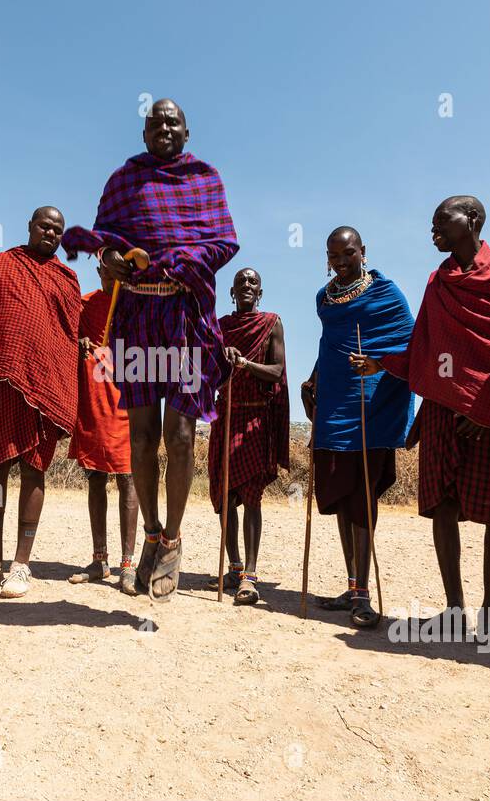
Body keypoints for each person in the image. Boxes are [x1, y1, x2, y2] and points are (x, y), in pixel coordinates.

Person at [61, 98, 239, 599]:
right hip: (138, 314)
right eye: (155, 122)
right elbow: (104, 240)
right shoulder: (124, 180)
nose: (164, 128)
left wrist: (187, 257)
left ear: (187, 130)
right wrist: (113, 257)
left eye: (173, 121)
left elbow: (225, 242)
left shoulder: (206, 179)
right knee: (140, 435)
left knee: (180, 434)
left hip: (185, 316)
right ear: (143, 134)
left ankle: (174, 540)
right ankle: (152, 532)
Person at [362, 197, 490, 647]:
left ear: (472, 221)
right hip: (441, 409)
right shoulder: (438, 281)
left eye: (441, 221)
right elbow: (424, 343)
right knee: (444, 507)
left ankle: (489, 616)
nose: (432, 229)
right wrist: (381, 363)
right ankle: (455, 609)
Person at [0, 207, 81, 599]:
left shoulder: (66, 278)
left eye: (58, 230)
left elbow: (72, 337)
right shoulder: (1, 264)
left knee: (33, 471)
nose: (51, 232)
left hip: (44, 389)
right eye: (45, 225)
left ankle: (21, 565)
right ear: (29, 226)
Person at [302, 227, 415, 628]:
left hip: (372, 407)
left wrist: (379, 364)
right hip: (334, 406)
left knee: (362, 497)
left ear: (363, 251)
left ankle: (364, 594)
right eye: (334, 255)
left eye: (348, 253)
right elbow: (327, 345)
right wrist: (314, 377)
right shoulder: (324, 298)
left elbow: (409, 344)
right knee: (340, 496)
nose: (341, 261)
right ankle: (352, 584)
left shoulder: (387, 294)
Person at [207, 268, 288, 606]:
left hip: (255, 417)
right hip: (225, 416)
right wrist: (222, 362)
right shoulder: (220, 326)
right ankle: (234, 566)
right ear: (232, 290)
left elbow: (277, 371)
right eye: (241, 282)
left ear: (260, 290)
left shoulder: (271, 323)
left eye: (252, 282)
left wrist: (244, 364)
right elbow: (206, 372)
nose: (246, 287)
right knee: (225, 498)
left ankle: (250, 576)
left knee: (252, 496)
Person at [66, 263, 139, 591]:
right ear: (98, 269)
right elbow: (67, 339)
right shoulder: (85, 303)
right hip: (93, 397)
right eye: (106, 272)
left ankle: (128, 564)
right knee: (95, 476)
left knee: (127, 478)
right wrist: (79, 341)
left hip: (127, 399)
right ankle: (99, 560)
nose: (111, 278)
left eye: (117, 273)